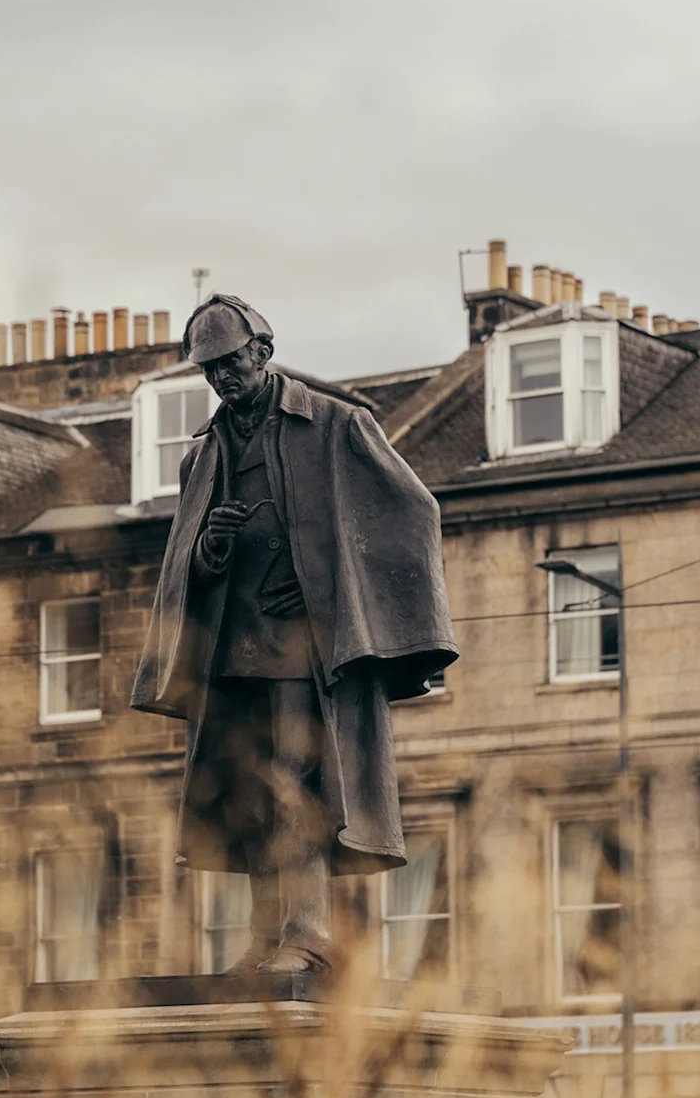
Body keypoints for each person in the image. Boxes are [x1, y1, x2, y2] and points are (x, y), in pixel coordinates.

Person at [132, 295, 457, 974]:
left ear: (262, 351)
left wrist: (326, 587)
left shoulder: (337, 424)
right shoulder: (204, 453)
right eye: (208, 369)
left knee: (296, 784)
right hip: (228, 646)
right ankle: (263, 938)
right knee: (249, 791)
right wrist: (210, 551)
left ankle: (307, 934)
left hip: (301, 648)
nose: (221, 378)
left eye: (229, 363)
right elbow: (184, 564)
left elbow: (413, 515)